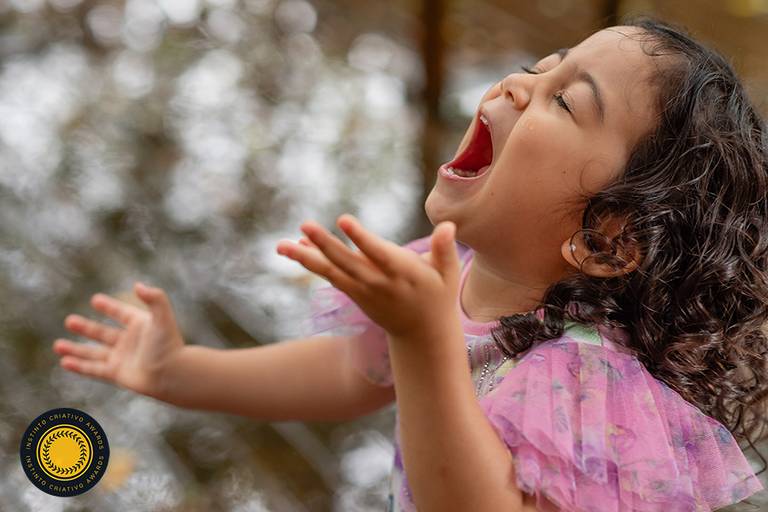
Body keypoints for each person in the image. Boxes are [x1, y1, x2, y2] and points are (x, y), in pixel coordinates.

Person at [52, 15, 766, 511]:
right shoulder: (447, 274)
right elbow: (346, 372)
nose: (514, 87)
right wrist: (181, 371)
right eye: (536, 69)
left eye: (564, 101)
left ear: (608, 238)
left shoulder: (581, 378)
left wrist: (423, 340)